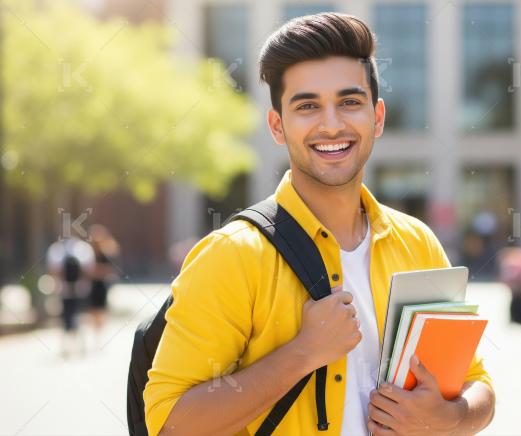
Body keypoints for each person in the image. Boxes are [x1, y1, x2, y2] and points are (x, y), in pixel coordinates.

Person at [144, 13, 495, 436]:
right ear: (278, 126)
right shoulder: (231, 255)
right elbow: (170, 425)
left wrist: (449, 418)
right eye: (307, 106)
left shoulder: (418, 243)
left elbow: (477, 382)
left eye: (349, 102)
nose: (331, 124)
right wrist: (303, 353)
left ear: (377, 117)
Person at [46, 236, 95, 358]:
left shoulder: (57, 249)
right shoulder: (83, 249)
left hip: (66, 290)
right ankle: (78, 346)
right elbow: (90, 270)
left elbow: (53, 270)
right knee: (77, 318)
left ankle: (69, 346)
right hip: (78, 289)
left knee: (68, 318)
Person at [87, 224, 120, 348]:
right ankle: (95, 333)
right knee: (92, 310)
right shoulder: (89, 253)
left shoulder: (107, 253)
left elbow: (111, 270)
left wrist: (98, 271)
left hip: (102, 285)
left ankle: (99, 335)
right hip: (91, 286)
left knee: (101, 310)